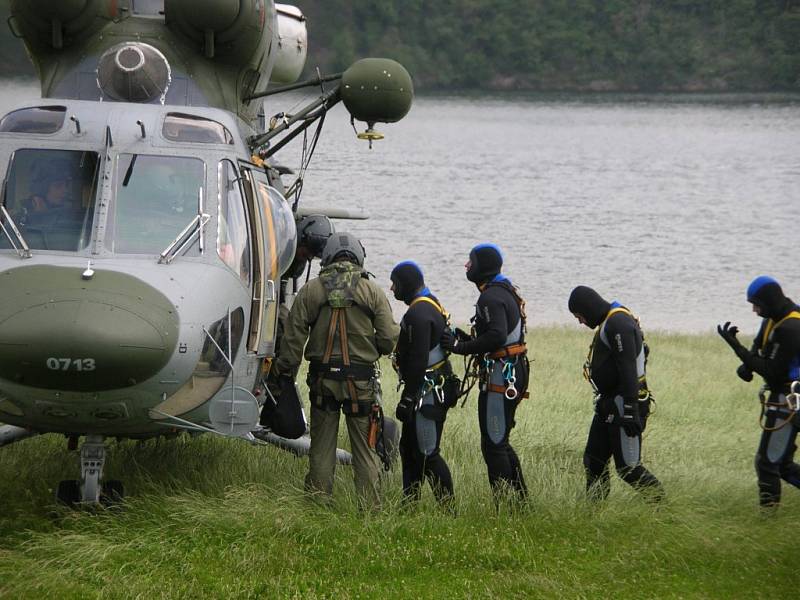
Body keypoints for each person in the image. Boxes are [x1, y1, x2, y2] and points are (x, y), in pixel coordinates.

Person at [275, 232, 399, 508]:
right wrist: (372, 349)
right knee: (365, 451)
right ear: (359, 256)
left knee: (321, 450)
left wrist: (283, 376)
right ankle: (369, 511)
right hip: (360, 383)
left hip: (322, 382)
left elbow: (293, 341)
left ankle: (318, 506)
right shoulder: (372, 292)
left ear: (328, 256)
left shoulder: (311, 290)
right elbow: (389, 339)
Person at [440, 243, 529, 504]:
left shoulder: (490, 297)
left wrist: (460, 347)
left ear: (483, 267)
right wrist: (463, 337)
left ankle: (505, 508)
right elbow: (499, 337)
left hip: (503, 376)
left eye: (471, 262)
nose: (467, 266)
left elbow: (497, 336)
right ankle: (522, 502)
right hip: (513, 371)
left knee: (493, 446)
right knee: (500, 441)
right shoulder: (505, 291)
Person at [568, 285, 664, 502]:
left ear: (588, 308)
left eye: (579, 316)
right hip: (609, 403)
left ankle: (663, 510)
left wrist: (630, 410)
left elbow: (628, 367)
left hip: (625, 404)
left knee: (628, 468)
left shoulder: (618, 323)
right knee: (593, 460)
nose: (581, 322)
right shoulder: (609, 321)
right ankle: (594, 515)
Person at [717, 276, 800, 508]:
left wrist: (737, 348)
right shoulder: (774, 318)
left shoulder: (790, 327)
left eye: (757, 304)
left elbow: (772, 372)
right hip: (786, 398)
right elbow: (759, 350)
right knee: (782, 464)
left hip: (788, 400)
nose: (754, 310)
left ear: (770, 301)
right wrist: (746, 366)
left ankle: (769, 519)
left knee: (767, 463)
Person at [390, 261, 456, 507]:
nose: (391, 288)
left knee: (428, 453)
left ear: (405, 285)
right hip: (429, 388)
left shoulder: (418, 314)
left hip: (427, 392)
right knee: (409, 448)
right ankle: (409, 504)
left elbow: (418, 361)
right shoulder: (430, 303)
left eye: (394, 283)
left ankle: (448, 510)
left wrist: (407, 399)